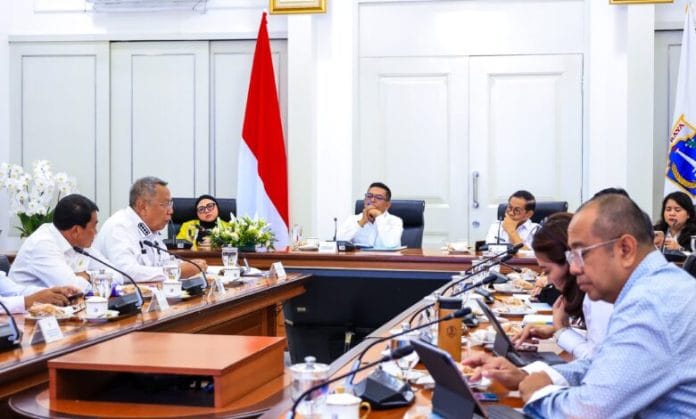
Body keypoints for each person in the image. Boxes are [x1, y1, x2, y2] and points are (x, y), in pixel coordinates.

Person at [463, 193, 696, 417]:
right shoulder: (655, 287)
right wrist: (527, 375)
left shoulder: (652, 303)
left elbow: (590, 411)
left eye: (581, 254)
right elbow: (603, 366)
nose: (574, 268)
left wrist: (538, 394)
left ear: (625, 249)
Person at [512, 212, 613, 360]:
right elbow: (598, 339)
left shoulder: (599, 298)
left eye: (547, 271)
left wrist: (562, 331)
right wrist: (554, 330)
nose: (548, 281)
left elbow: (597, 361)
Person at [95, 177, 207, 282]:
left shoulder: (151, 230)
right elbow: (126, 272)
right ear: (142, 207)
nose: (171, 211)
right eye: (165, 204)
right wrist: (177, 272)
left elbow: (164, 262)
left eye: (170, 204)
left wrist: (189, 265)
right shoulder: (119, 226)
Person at [9, 194, 118, 293]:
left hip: (60, 306)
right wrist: (95, 277)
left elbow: (118, 275)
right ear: (76, 231)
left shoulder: (80, 243)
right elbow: (74, 289)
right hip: (24, 307)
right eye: (93, 227)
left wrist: (88, 275)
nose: (96, 232)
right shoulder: (42, 244)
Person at [336, 182, 403, 248]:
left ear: (387, 205)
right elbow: (339, 241)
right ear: (364, 200)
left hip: (386, 256)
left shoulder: (395, 221)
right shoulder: (353, 219)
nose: (372, 200)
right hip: (360, 256)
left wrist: (379, 216)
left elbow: (390, 244)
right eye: (369, 196)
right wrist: (361, 222)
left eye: (379, 197)